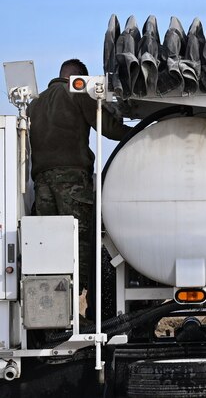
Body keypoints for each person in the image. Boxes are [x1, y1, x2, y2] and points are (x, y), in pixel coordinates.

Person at [28, 59, 133, 320]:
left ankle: (51, 313)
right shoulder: (77, 93)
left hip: (41, 182)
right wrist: (137, 133)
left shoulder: (35, 104)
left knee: (48, 246)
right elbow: (108, 127)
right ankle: (77, 309)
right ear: (79, 77)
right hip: (72, 180)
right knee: (79, 244)